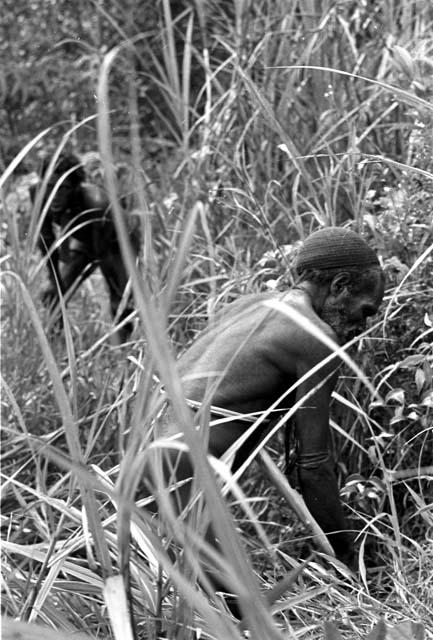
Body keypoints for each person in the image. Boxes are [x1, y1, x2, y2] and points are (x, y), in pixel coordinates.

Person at [148, 226, 385, 614]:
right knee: (249, 617)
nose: (363, 326)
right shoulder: (314, 337)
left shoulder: (247, 306)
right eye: (366, 310)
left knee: (210, 610)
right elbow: (312, 468)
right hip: (180, 478)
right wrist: (348, 556)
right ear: (340, 285)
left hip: (143, 464)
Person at [32, 152, 140, 341]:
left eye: (62, 189)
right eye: (49, 187)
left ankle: (123, 349)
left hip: (118, 241)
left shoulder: (96, 202)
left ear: (75, 187)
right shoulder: (38, 194)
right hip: (84, 239)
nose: (54, 196)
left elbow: (103, 254)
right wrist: (56, 282)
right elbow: (45, 239)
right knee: (51, 293)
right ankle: (57, 343)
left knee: (122, 299)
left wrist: (118, 287)